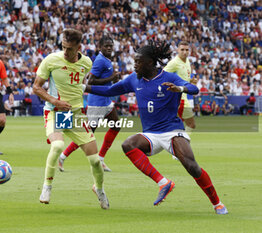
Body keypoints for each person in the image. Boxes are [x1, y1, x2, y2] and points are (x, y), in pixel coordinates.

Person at [83, 41, 228, 214]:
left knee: (192, 166)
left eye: (138, 61)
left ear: (150, 62)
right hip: (151, 134)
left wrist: (180, 88)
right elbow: (109, 90)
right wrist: (83, 87)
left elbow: (194, 88)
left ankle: (217, 203)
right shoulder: (134, 79)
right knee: (128, 144)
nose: (134, 65)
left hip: (172, 131)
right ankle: (163, 182)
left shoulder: (168, 77)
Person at [33, 28, 109, 209]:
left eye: (69, 48)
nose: (65, 51)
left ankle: (99, 190)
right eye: (63, 47)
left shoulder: (87, 63)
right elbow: (36, 87)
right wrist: (54, 101)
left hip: (76, 115)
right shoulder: (51, 60)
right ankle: (47, 187)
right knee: (58, 145)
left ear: (79, 47)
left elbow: (83, 83)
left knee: (95, 161)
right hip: (55, 112)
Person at [58, 35, 121, 172]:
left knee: (116, 126)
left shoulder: (106, 60)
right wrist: (112, 78)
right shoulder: (100, 61)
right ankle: (62, 157)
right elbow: (90, 81)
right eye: (106, 46)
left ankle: (102, 158)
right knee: (86, 135)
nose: (109, 48)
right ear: (100, 47)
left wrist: (114, 81)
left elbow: (105, 81)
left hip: (106, 101)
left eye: (111, 46)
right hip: (97, 104)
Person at [164, 41, 197, 132]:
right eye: (182, 50)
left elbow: (183, 79)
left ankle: (177, 143)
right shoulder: (174, 63)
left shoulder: (187, 61)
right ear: (177, 50)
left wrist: (190, 81)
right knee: (191, 124)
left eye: (187, 50)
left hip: (183, 96)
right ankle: (182, 144)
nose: (185, 52)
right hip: (178, 98)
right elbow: (162, 76)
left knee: (176, 126)